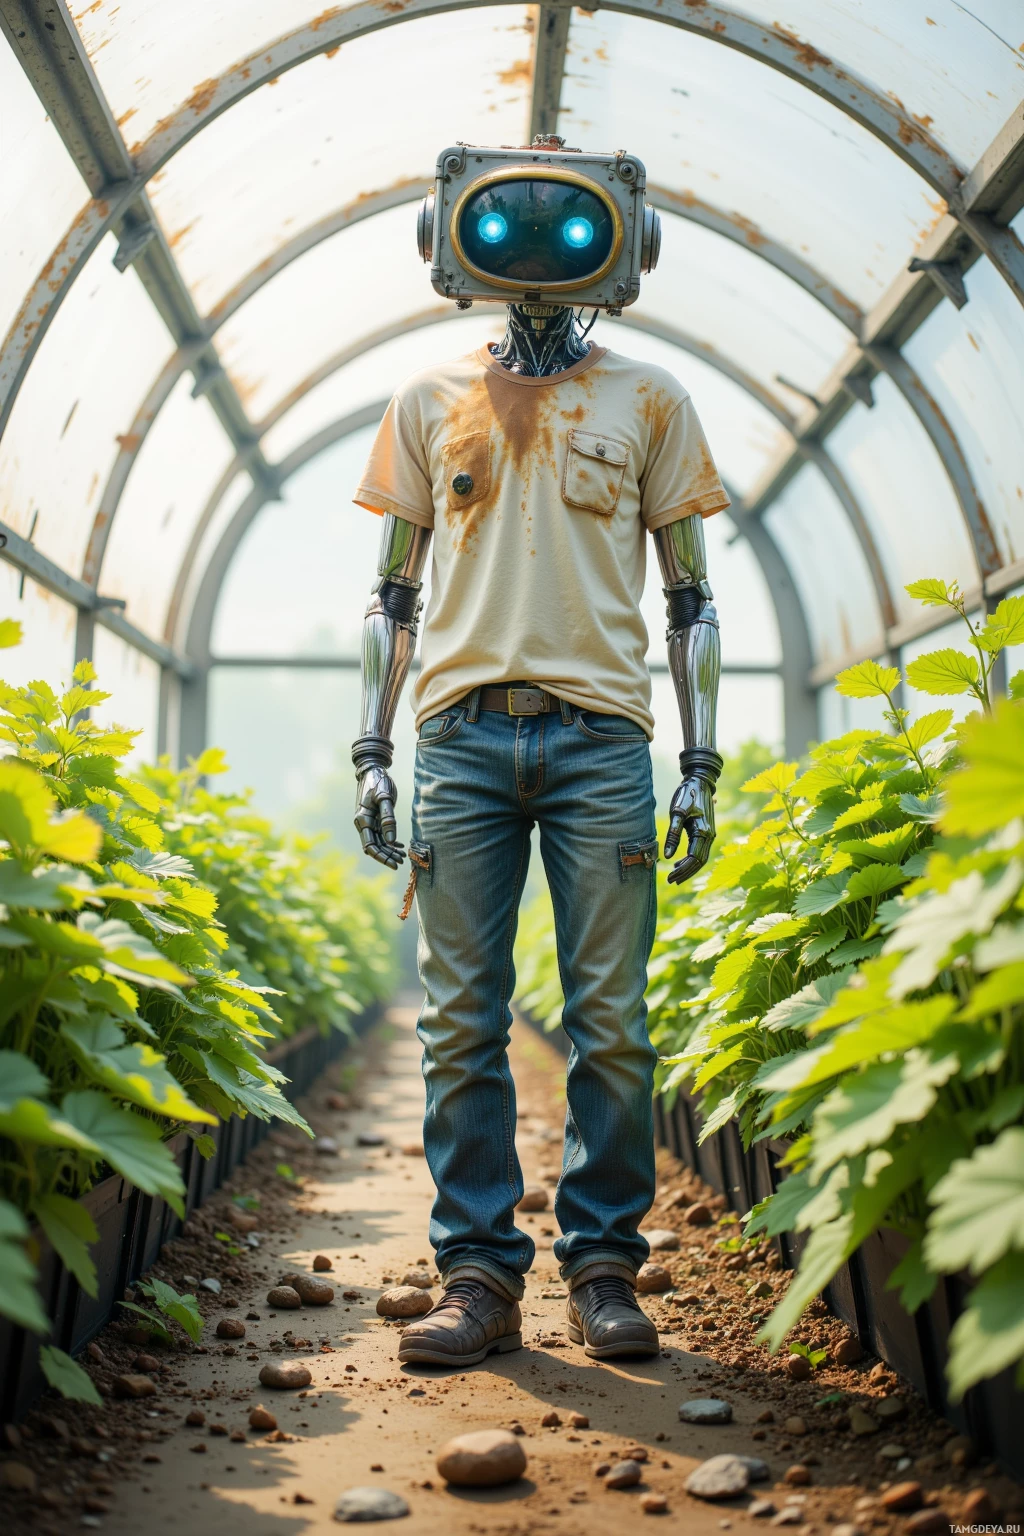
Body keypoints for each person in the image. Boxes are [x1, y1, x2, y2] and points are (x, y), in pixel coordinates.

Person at [351, 140, 728, 1368]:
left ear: (620, 244)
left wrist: (699, 759)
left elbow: (692, 603)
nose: (534, 246)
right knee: (460, 1020)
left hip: (600, 739)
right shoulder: (424, 399)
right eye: (501, 221)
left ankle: (605, 1266)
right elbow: (392, 597)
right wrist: (374, 745)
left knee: (608, 1019)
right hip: (458, 739)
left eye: (569, 226)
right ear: (450, 240)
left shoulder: (653, 400)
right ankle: (476, 1273)